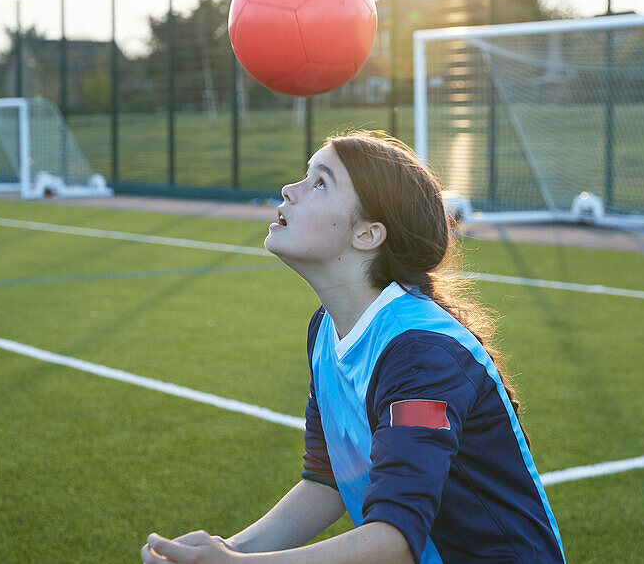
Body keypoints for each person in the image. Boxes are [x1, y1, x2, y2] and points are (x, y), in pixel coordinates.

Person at [142, 131, 565, 564]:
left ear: (367, 234)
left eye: (320, 182)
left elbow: (394, 541)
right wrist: (231, 548)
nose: (290, 190)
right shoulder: (326, 329)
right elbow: (327, 479)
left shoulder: (424, 357)